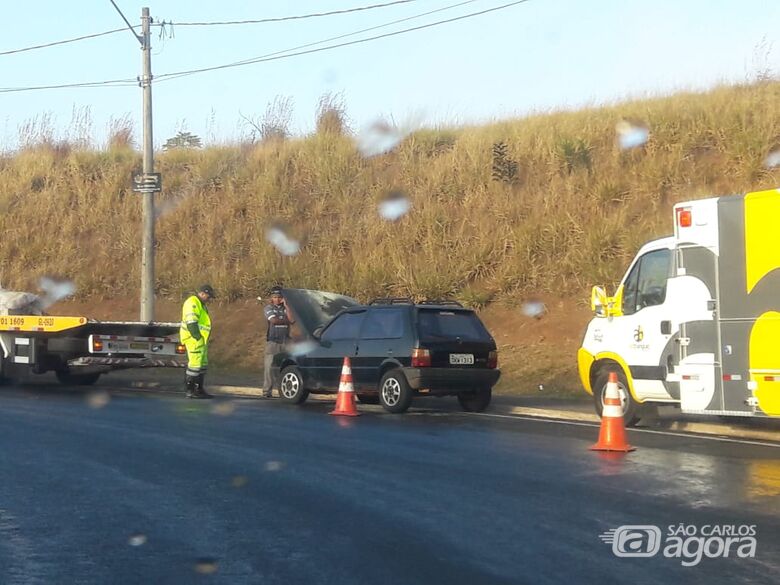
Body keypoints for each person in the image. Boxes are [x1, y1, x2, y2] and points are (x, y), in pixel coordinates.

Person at [180, 284, 215, 399]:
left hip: (200, 340)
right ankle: (190, 390)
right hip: (194, 339)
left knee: (202, 365)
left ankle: (199, 389)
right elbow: (191, 322)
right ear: (202, 293)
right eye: (208, 297)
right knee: (194, 366)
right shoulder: (193, 302)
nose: (209, 299)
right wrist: (198, 337)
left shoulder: (201, 304)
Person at [263, 286, 295, 398]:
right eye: (274, 297)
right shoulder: (268, 308)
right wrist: (286, 321)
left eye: (279, 297)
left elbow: (292, 320)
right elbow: (274, 321)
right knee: (269, 367)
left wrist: (286, 305)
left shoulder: (286, 308)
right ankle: (267, 390)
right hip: (273, 341)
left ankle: (285, 390)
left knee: (287, 366)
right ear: (271, 298)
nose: (277, 299)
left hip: (286, 341)